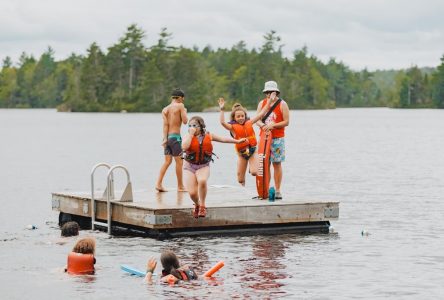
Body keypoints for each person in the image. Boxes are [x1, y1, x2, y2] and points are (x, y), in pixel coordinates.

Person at [182, 116, 246, 218]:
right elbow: (184, 147)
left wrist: (237, 141)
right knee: (192, 193)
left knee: (202, 180)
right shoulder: (187, 136)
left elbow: (223, 139)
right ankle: (197, 205)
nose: (192, 127)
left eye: (194, 125)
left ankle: (202, 205)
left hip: (203, 165)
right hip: (189, 166)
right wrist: (190, 134)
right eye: (190, 125)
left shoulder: (209, 135)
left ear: (201, 126)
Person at [218, 98, 271, 186]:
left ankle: (252, 165)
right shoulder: (232, 127)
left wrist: (269, 101)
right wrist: (222, 109)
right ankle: (243, 186)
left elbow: (262, 112)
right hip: (241, 154)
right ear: (234, 118)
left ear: (245, 116)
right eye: (238, 116)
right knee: (240, 180)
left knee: (254, 172)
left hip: (252, 151)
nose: (241, 118)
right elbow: (222, 122)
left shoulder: (250, 122)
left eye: (242, 116)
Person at [255, 81, 290, 200]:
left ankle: (278, 189)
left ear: (276, 92)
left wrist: (273, 125)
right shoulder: (262, 103)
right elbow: (257, 119)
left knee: (277, 163)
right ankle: (266, 188)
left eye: (272, 92)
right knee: (265, 164)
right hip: (264, 138)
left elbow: (286, 122)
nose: (269, 94)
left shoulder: (282, 104)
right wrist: (263, 126)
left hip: (277, 138)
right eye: (267, 92)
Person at [155, 88, 188, 192]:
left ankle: (158, 184)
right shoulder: (180, 106)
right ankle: (180, 186)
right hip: (176, 138)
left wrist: (164, 139)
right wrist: (185, 111)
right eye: (183, 99)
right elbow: (185, 121)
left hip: (167, 138)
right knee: (179, 162)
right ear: (181, 98)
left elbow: (165, 125)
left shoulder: (165, 109)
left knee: (167, 162)